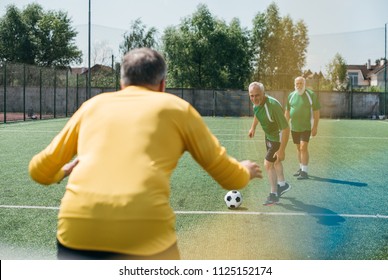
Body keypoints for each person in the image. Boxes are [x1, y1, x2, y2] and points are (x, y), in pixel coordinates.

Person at [28, 48, 262, 260]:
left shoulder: (92, 106)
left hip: (77, 232)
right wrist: (246, 171)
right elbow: (228, 177)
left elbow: (39, 171)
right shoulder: (178, 109)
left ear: (122, 84)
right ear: (162, 84)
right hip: (147, 237)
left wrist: (64, 170)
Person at [248, 82, 291, 206]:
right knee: (276, 162)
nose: (254, 98)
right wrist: (253, 128)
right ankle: (282, 185)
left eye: (257, 95)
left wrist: (282, 149)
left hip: (277, 137)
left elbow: (286, 129)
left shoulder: (273, 106)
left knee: (268, 164)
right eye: (251, 96)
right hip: (269, 135)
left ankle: (273, 195)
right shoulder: (256, 103)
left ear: (263, 93)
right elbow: (257, 113)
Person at [285, 76, 320, 180]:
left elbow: (316, 112)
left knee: (303, 147)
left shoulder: (311, 95)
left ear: (304, 84)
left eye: (301, 83)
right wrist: (284, 125)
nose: (299, 85)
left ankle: (304, 172)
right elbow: (287, 112)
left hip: (307, 127)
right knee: (298, 148)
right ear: (294, 85)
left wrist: (315, 127)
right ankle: (301, 168)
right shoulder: (291, 95)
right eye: (297, 84)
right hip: (294, 127)